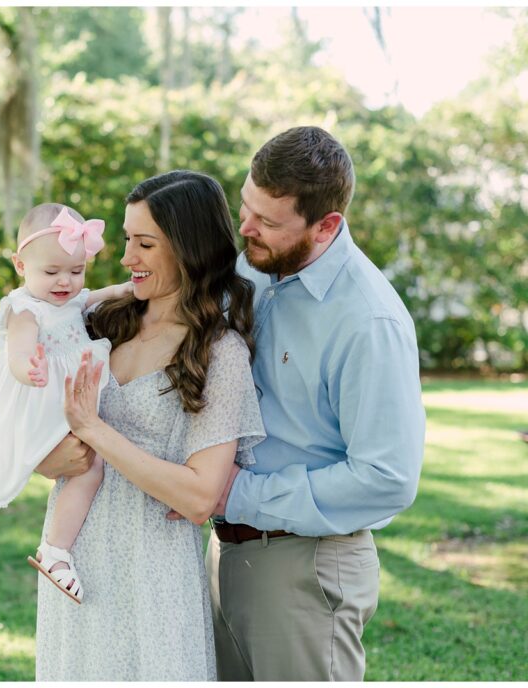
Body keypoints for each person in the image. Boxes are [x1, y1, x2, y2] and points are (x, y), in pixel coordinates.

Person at [201, 126, 426, 681]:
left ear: (326, 226)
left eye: (269, 222)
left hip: (304, 567)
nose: (246, 230)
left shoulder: (368, 320)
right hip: (223, 552)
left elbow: (387, 477)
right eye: (245, 208)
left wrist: (236, 492)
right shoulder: (256, 261)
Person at [34, 170, 266, 681]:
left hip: (152, 569)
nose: (125, 258)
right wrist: (45, 459)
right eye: (125, 239)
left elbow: (201, 496)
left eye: (144, 243)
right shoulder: (100, 323)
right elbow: (32, 421)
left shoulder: (217, 353)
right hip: (74, 559)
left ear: (188, 249)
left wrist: (96, 432)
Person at [0, 203, 130, 604]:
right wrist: (26, 368)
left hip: (71, 400)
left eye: (75, 271)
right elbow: (17, 349)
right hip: (43, 403)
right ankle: (56, 550)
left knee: (92, 466)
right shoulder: (26, 307)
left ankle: (60, 548)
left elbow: (93, 298)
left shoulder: (71, 299)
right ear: (20, 265)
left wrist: (124, 290)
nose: (65, 282)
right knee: (90, 468)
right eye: (51, 272)